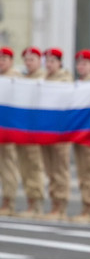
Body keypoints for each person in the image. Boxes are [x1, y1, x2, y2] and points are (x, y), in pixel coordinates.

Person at [38, 48, 74, 221]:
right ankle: (53, 203)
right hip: (46, 132)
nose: (49, 64)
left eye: (52, 61)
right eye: (47, 61)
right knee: (50, 170)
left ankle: (61, 205)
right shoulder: (43, 79)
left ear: (60, 62)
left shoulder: (65, 79)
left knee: (60, 170)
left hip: (61, 132)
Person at [68, 49, 90, 224]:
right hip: (78, 134)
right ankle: (85, 205)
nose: (81, 67)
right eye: (79, 64)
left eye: (85, 64)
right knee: (82, 172)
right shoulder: (77, 84)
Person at [13, 47, 46, 218]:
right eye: (26, 60)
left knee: (34, 167)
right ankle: (30, 202)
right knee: (24, 168)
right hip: (22, 131)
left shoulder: (43, 79)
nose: (28, 63)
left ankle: (37, 203)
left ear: (40, 61)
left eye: (32, 59)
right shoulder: (22, 79)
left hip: (35, 132)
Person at [0, 47, 22, 216]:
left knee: (8, 166)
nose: (1, 62)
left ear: (11, 61)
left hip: (8, 130)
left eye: (4, 59)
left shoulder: (16, 79)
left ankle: (9, 200)